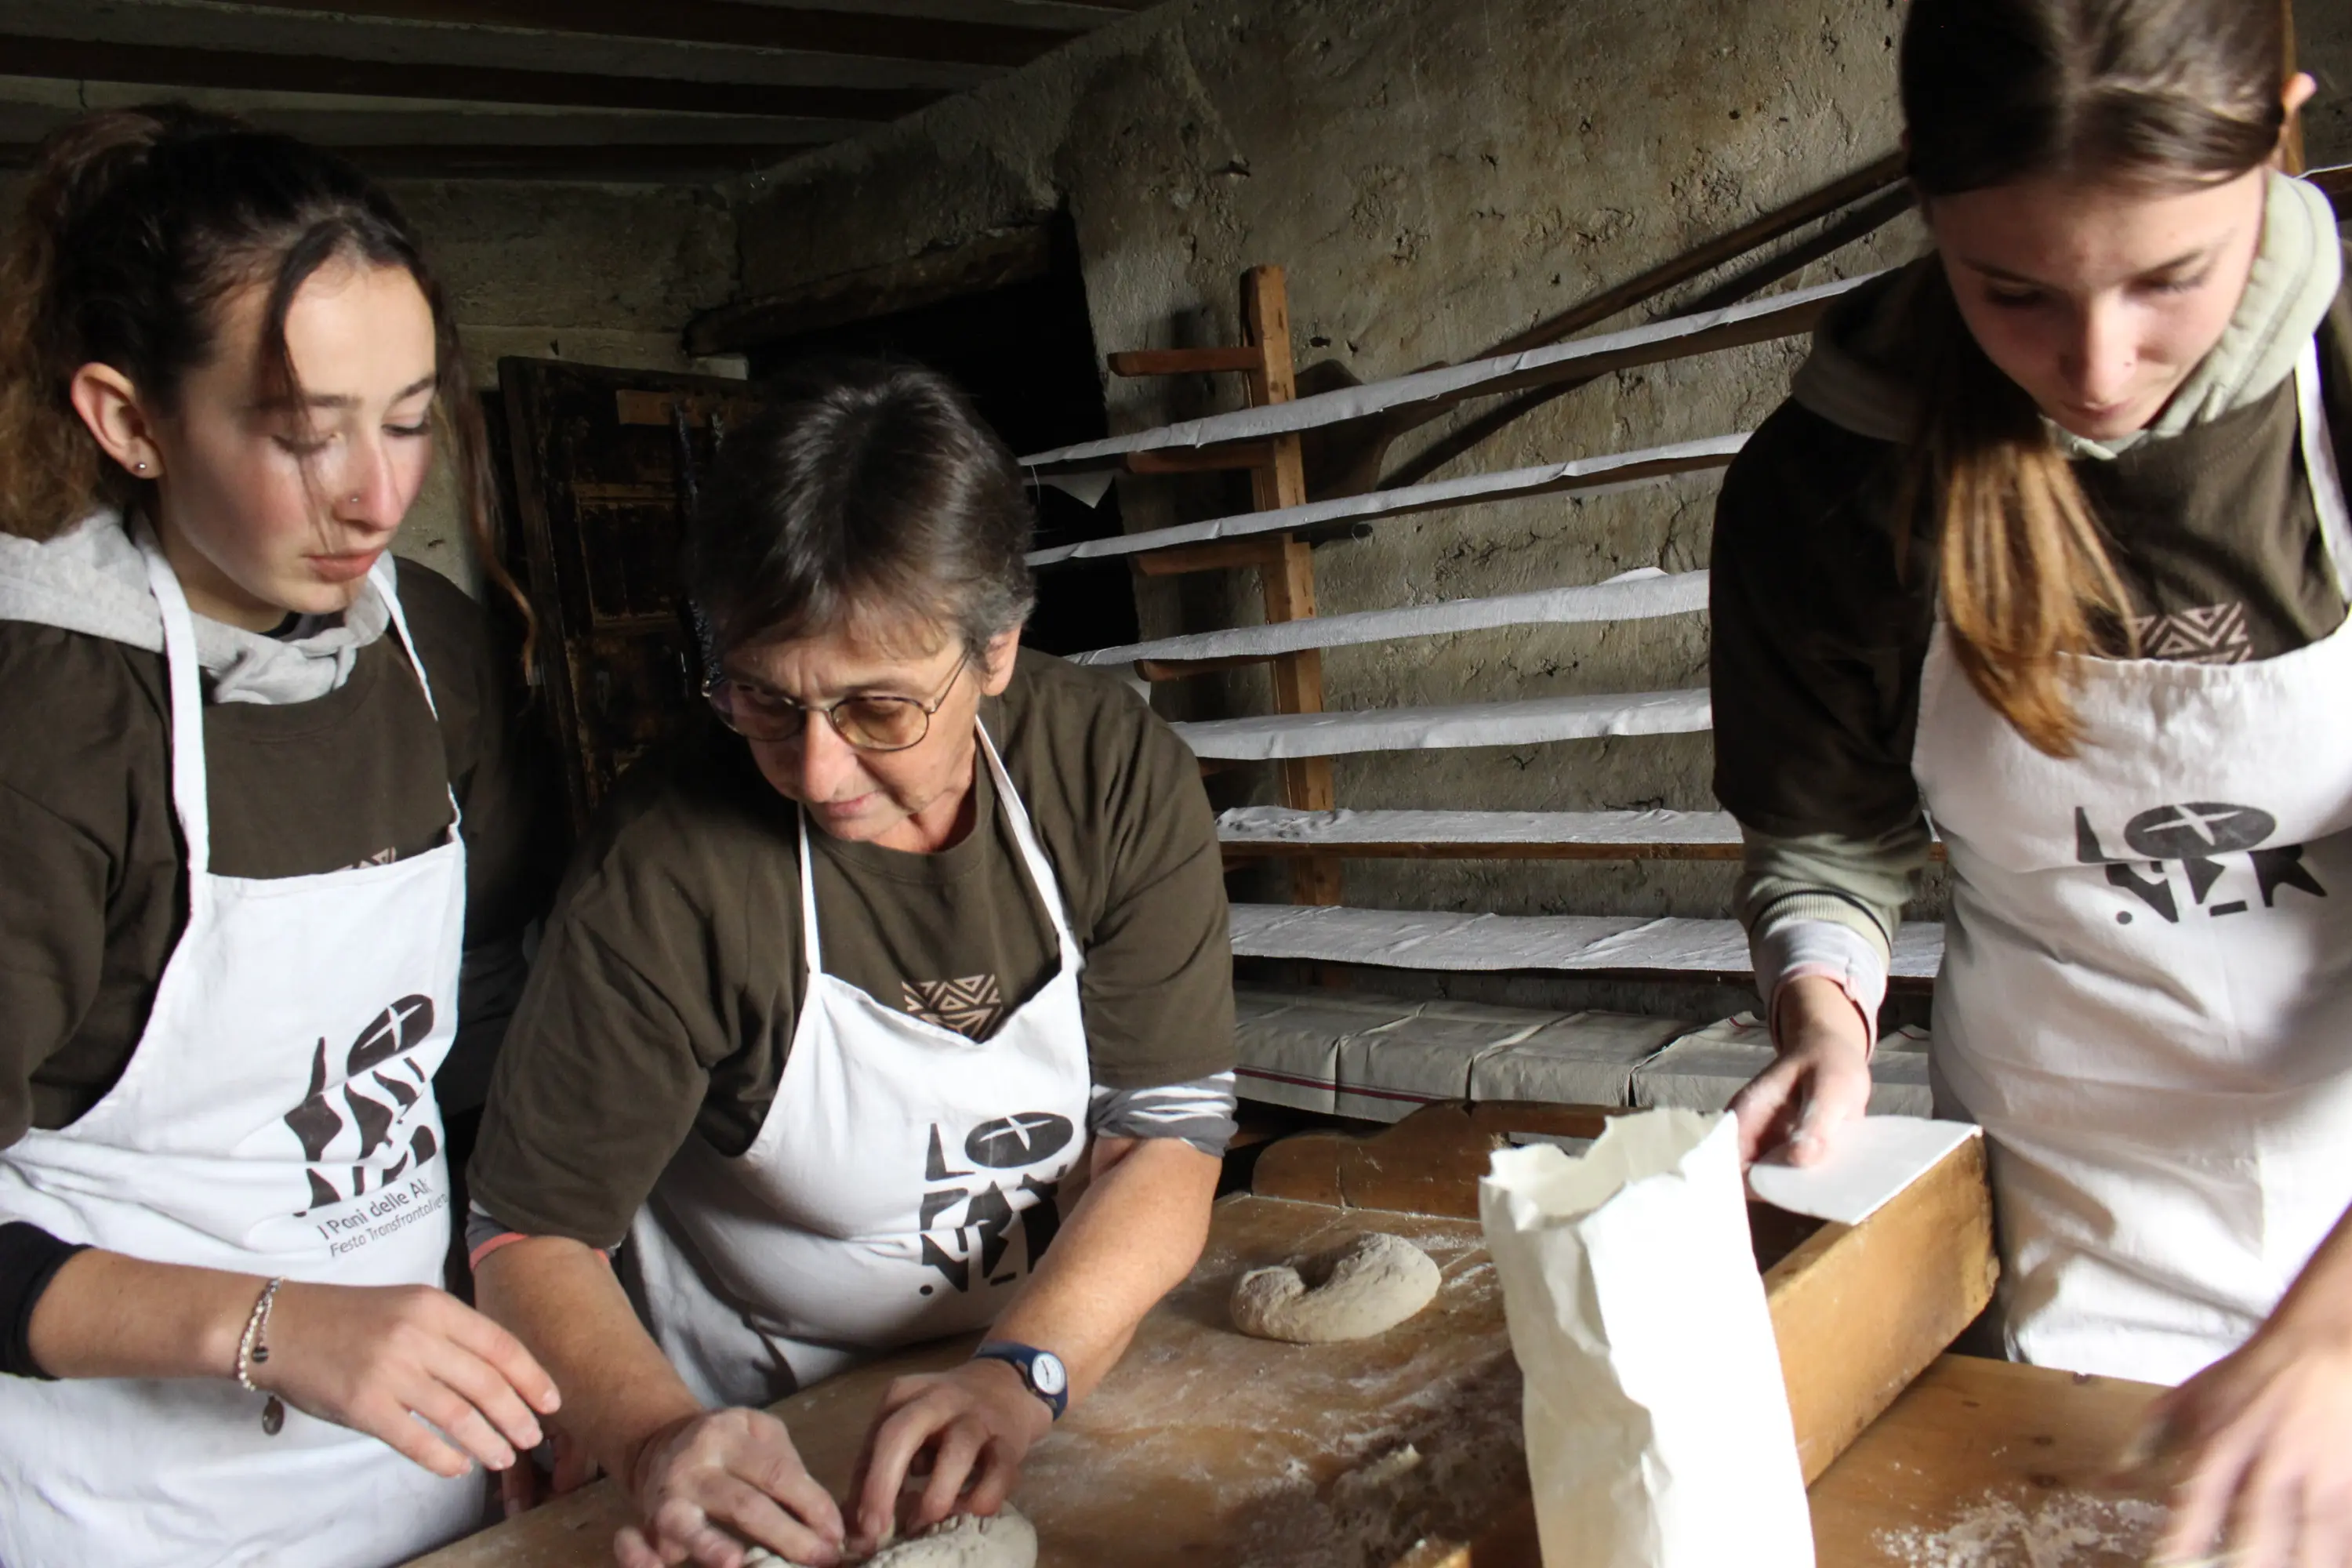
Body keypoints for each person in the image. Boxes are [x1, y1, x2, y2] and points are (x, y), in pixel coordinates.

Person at [1709, 0, 2350, 1561]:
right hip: (2076, 1201)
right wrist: (1826, 1012)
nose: (2097, 366)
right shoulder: (1838, 480)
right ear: (1923, 185)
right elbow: (1831, 836)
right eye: (2015, 294)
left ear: (2284, 130)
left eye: (2169, 280)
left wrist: (2331, 1332)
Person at [466, 359, 1236, 1568]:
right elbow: (526, 1236)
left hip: (1043, 1349)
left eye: (880, 711)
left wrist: (1026, 1374)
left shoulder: (1105, 774)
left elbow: (1164, 1136)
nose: (817, 772)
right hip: (757, 1430)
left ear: (995, 651)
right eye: (768, 704)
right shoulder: (672, 866)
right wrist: (657, 1437)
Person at [0, 106, 565, 1566]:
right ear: (128, 420)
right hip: (123, 1504)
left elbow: (489, 1017)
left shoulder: (432, 652)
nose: (379, 500)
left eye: (408, 421)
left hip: (418, 1469)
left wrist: (534, 1348)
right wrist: (268, 1326)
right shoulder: (53, 719)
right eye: (305, 436)